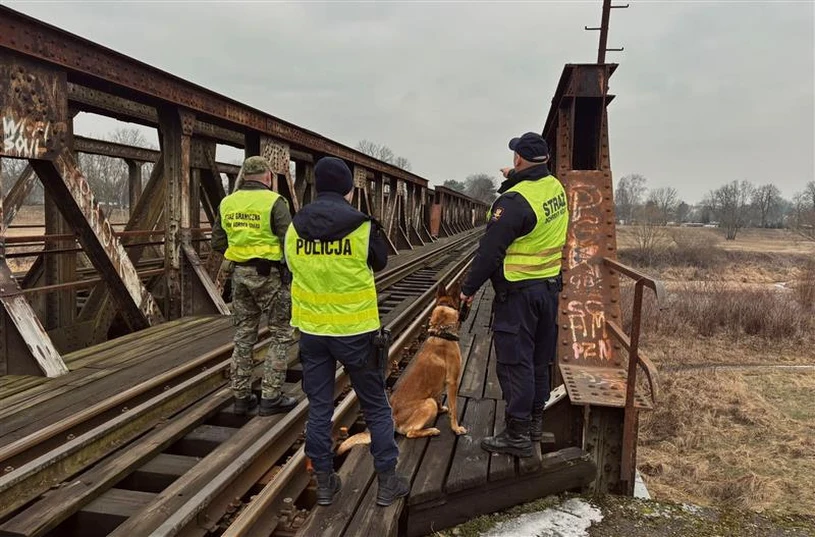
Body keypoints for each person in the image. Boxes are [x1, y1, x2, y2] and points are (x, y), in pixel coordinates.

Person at [284, 156, 410, 507]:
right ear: (349, 190)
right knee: (376, 407)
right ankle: (388, 482)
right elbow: (381, 261)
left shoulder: (295, 227)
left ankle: (325, 483)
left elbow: (291, 266)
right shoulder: (362, 226)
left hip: (312, 331)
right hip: (356, 332)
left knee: (320, 407)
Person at [460, 132, 569, 458]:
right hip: (548, 291)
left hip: (519, 296)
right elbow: (531, 205)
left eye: (514, 157)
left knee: (514, 364)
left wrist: (467, 290)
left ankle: (517, 434)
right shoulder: (555, 188)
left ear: (519, 160)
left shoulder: (512, 203)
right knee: (538, 362)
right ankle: (534, 423)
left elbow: (489, 253)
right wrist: (515, 180)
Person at [211, 156, 298, 416]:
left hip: (239, 276)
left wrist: (241, 253)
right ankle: (271, 397)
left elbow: (218, 242)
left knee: (243, 336)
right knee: (281, 334)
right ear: (268, 177)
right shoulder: (274, 202)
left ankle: (241, 396)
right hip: (269, 276)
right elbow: (289, 241)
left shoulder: (228, 203)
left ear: (244, 177)